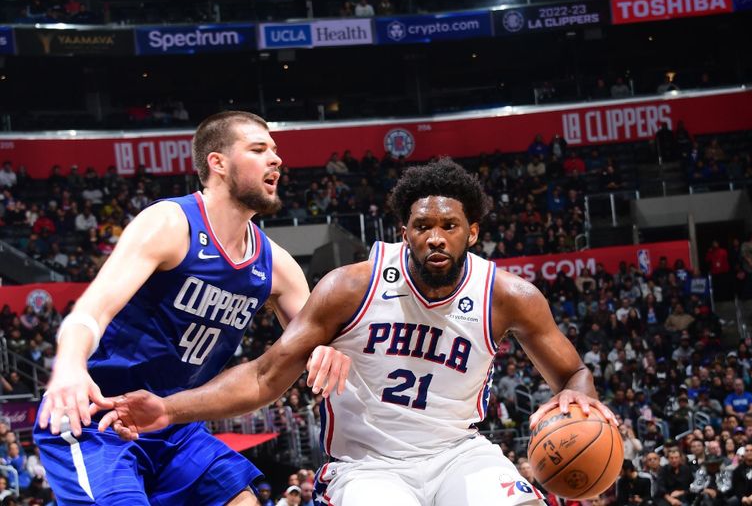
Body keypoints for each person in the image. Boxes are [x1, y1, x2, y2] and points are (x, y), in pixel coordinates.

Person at [95, 158, 617, 506]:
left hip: (458, 451)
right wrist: (170, 408)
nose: (435, 237)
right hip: (368, 467)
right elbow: (265, 375)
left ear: (472, 232)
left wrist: (583, 399)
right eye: (422, 226)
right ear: (403, 231)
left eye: (450, 227)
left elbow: (572, 372)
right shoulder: (350, 288)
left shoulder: (509, 296)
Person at [35, 111, 349, 505]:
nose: (276, 159)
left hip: (175, 423)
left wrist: (332, 351)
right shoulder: (170, 223)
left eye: (275, 150)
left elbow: (308, 350)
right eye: (258, 149)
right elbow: (93, 308)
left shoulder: (278, 266)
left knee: (245, 501)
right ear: (217, 163)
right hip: (99, 415)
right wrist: (68, 367)